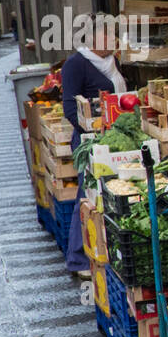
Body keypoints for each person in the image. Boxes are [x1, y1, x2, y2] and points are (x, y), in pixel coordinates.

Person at [61, 32, 128, 279]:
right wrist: (92, 130)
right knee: (87, 194)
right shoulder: (75, 65)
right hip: (91, 141)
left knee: (109, 194)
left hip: (117, 138)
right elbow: (70, 108)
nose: (114, 38)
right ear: (92, 38)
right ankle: (78, 259)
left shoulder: (113, 61)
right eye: (108, 33)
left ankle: (105, 251)